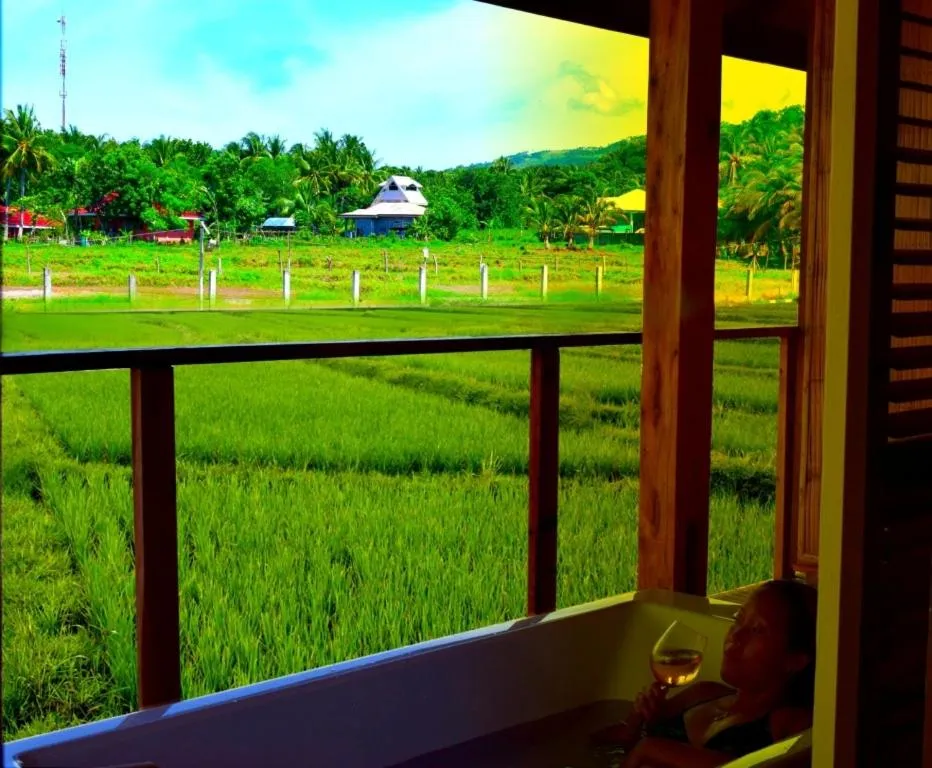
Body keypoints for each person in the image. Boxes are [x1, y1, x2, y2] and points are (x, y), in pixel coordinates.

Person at [595, 579, 817, 768]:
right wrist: (637, 720)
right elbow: (606, 743)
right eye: (738, 619)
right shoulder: (703, 693)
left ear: (795, 660)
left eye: (757, 629)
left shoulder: (788, 722)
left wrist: (651, 749)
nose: (735, 634)